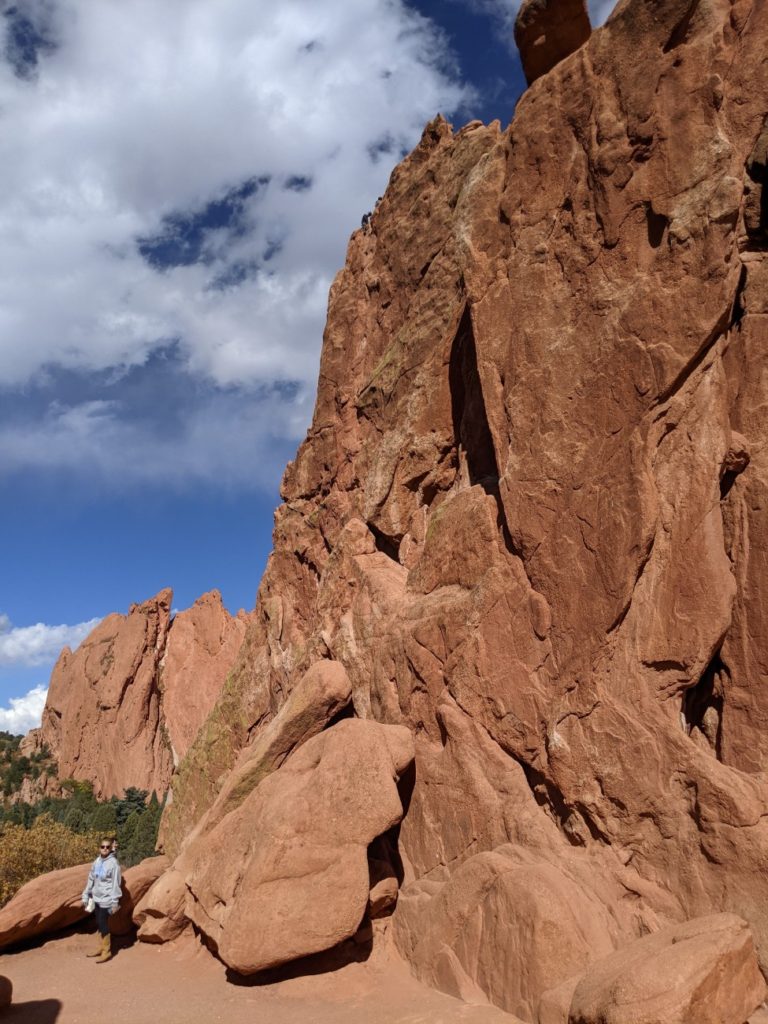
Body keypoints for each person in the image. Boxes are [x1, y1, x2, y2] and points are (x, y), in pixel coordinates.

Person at [82, 836, 122, 963]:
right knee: (99, 923)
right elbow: (91, 878)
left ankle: (107, 951)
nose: (104, 849)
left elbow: (116, 883)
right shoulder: (97, 861)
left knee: (103, 924)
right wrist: (86, 894)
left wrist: (115, 902)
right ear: (99, 848)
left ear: (111, 849)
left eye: (107, 847)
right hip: (96, 898)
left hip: (106, 900)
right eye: (102, 846)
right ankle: (101, 948)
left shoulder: (113, 864)